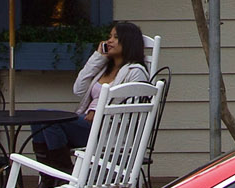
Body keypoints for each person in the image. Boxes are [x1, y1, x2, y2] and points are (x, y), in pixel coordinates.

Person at [30, 20, 148, 163]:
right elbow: (78, 89)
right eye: (109, 36)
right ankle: (49, 176)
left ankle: (61, 171)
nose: (109, 41)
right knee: (39, 117)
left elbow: (128, 108)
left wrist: (97, 110)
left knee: (51, 121)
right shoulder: (104, 68)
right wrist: (98, 57)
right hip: (88, 125)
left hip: (107, 132)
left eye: (115, 37)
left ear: (129, 41)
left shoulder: (135, 72)